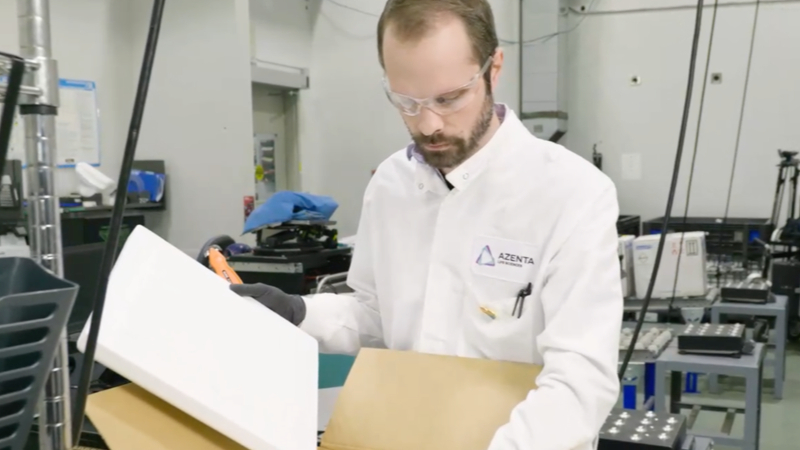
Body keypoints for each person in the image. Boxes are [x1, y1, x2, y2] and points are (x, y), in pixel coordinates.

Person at [231, 0, 623, 448]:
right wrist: (300, 311)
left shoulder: (571, 194)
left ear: (494, 69)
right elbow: (376, 315)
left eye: (448, 98)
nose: (428, 123)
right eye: (406, 101)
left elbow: (579, 381)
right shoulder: (391, 184)